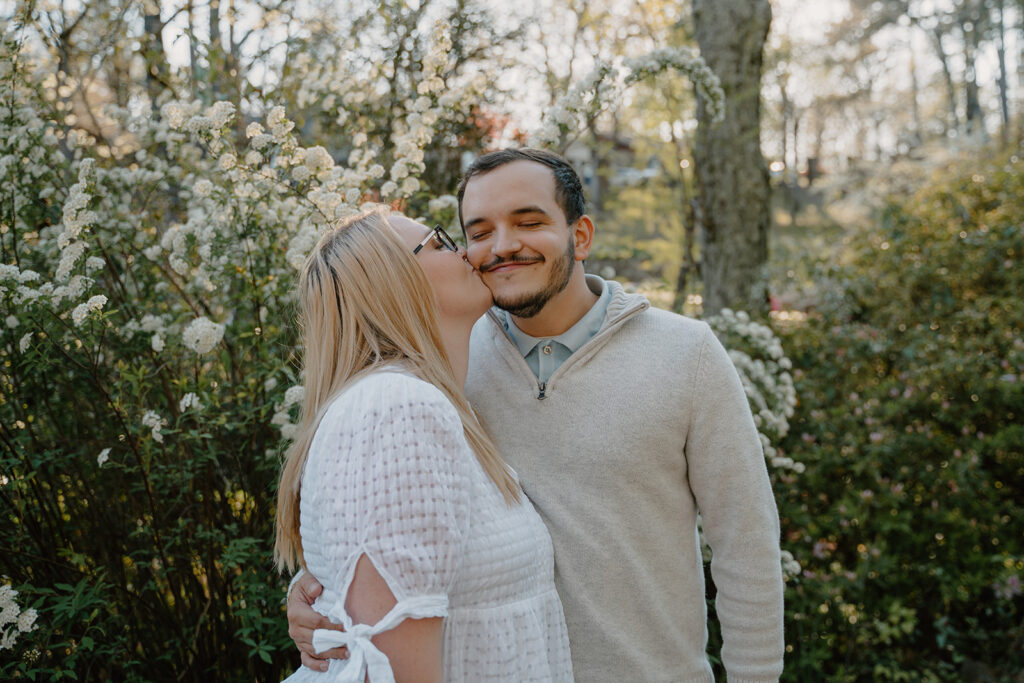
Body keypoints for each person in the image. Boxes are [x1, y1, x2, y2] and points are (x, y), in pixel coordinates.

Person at [288, 149, 785, 681]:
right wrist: (316, 589)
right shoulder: (437, 371)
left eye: (529, 222)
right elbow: (388, 522)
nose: (502, 246)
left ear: (581, 236)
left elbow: (747, 548)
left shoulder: (686, 354)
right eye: (477, 232)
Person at [274, 207, 573, 682]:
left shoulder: (442, 405)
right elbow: (391, 667)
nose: (466, 252)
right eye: (438, 242)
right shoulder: (397, 408)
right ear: (391, 284)